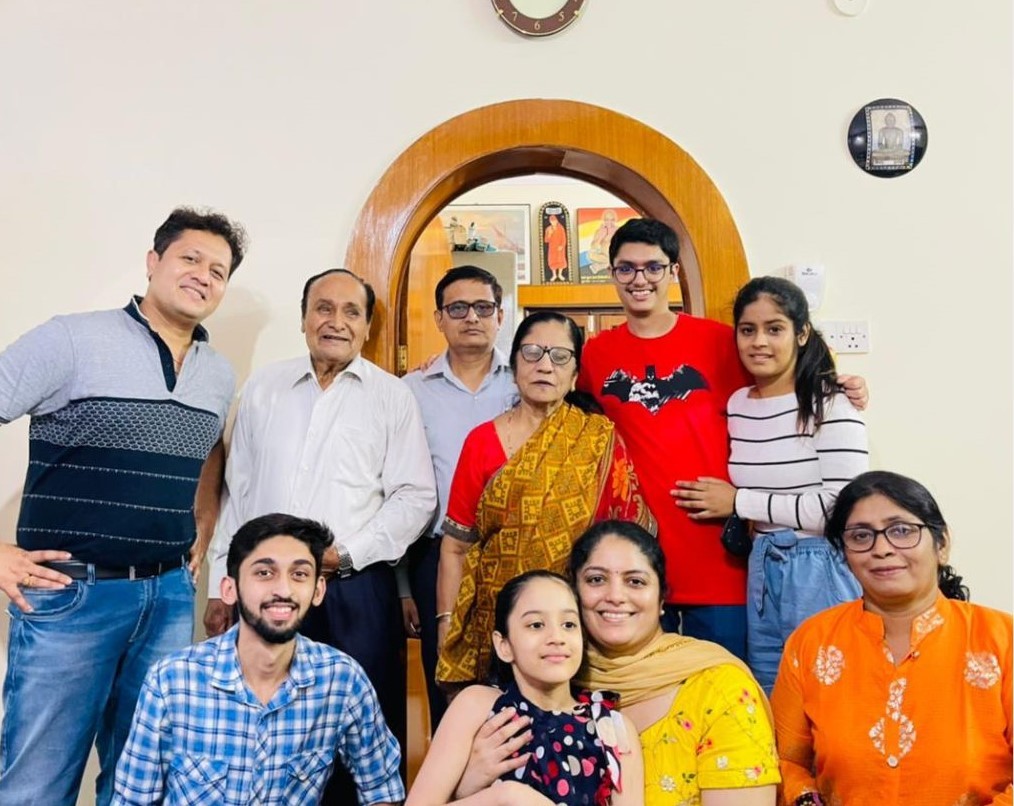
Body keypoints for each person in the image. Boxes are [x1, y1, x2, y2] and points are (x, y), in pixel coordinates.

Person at [0, 206, 246, 806]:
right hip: (70, 594)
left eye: (218, 270)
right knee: (37, 784)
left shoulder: (217, 374)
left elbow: (208, 449)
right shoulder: (71, 339)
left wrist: (204, 522)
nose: (203, 275)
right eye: (190, 258)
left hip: (167, 599)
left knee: (143, 783)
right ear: (153, 262)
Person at [577, 217, 867, 660]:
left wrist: (836, 384)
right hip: (636, 558)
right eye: (626, 268)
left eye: (653, 267)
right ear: (612, 273)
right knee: (644, 690)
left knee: (733, 685)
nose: (640, 279)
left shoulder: (720, 342)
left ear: (673, 271)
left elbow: (780, 378)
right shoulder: (596, 354)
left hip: (720, 559)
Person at [204, 268, 436, 804]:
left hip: (355, 586)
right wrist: (222, 584)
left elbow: (415, 497)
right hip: (265, 586)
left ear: (368, 326)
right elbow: (237, 492)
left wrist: (344, 555)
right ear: (304, 317)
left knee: (362, 731)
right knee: (264, 724)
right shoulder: (263, 388)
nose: (336, 321)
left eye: (352, 312)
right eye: (324, 308)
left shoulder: (392, 396)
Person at [453, 520, 779, 805]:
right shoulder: (549, 678)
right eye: (596, 580)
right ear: (573, 594)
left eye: (635, 581)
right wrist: (470, 783)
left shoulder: (719, 691)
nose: (615, 596)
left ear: (661, 599)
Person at [113, 513, 404, 805]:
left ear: (318, 590)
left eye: (299, 574)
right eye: (264, 573)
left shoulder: (342, 679)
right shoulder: (172, 680)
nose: (283, 590)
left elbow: (382, 789)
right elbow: (133, 800)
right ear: (229, 589)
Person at [436, 311, 654, 689]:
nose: (545, 366)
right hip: (499, 622)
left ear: (574, 375)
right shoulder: (481, 442)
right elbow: (456, 547)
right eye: (532, 353)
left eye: (560, 356)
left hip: (579, 623)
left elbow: (628, 539)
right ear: (514, 366)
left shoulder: (597, 438)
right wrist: (447, 621)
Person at [771, 471, 1013, 805]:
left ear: (942, 544)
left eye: (901, 531)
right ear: (844, 554)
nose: (881, 549)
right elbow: (784, 761)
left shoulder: (1002, 640)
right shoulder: (812, 642)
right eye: (861, 536)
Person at [673, 277, 867, 691]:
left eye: (774, 328)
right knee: (769, 693)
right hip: (761, 563)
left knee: (827, 692)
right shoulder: (739, 404)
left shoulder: (831, 402)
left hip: (819, 565)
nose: (759, 341)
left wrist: (739, 502)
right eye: (748, 330)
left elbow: (842, 509)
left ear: (802, 334)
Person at [408, 570, 643, 806]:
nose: (557, 637)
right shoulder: (476, 705)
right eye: (536, 625)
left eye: (569, 624)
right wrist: (503, 797)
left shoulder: (613, 728)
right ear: (504, 645)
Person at [402, 266, 518, 729]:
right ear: (439, 318)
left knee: (517, 672)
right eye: (458, 308)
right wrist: (404, 587)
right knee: (445, 677)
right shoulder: (409, 390)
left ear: (500, 316)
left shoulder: (526, 381)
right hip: (434, 555)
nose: (472, 317)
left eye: (484, 307)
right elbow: (393, 486)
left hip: (513, 552)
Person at [543, 214, 568, 282]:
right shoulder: (548, 229)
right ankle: (554, 275)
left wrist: (562, 246)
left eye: (554, 221)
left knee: (561, 260)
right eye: (551, 221)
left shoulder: (561, 228)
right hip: (552, 248)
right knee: (552, 261)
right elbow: (546, 240)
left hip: (560, 248)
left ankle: (560, 274)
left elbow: (564, 238)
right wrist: (549, 234)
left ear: (556, 221)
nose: (553, 222)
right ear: (550, 221)